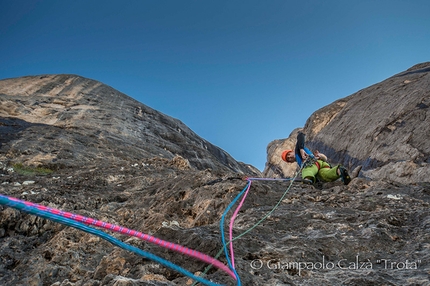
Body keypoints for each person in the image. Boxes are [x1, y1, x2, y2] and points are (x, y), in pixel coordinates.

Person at [281, 132, 351, 185]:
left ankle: (307, 180)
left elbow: (301, 135)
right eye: (288, 158)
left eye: (289, 154)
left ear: (292, 151)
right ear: (291, 162)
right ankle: (339, 171)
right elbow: (324, 159)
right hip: (320, 164)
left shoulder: (298, 150)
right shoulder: (301, 157)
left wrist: (301, 150)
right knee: (326, 175)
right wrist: (320, 156)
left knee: (307, 170)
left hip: (311, 164)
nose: (290, 157)